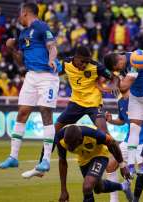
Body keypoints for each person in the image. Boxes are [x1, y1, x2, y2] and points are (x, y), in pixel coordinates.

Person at [22, 46, 114, 178]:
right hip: (75, 103)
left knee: (105, 134)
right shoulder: (66, 63)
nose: (85, 65)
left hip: (93, 104)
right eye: (82, 62)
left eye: (87, 62)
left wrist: (106, 88)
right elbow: (52, 74)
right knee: (53, 132)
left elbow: (114, 78)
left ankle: (117, 165)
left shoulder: (96, 66)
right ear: (76, 58)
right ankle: (41, 166)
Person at [0, 3, 60, 174]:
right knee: (22, 112)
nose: (19, 17)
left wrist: (52, 59)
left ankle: (46, 160)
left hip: (47, 75)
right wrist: (11, 49)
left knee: (45, 112)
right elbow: (20, 63)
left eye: (20, 14)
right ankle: (13, 157)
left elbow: (52, 46)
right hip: (31, 75)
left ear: (25, 13)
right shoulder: (23, 34)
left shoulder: (41, 26)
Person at [104, 50, 143, 176]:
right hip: (136, 95)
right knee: (134, 129)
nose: (118, 71)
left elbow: (123, 87)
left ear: (118, 62)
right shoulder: (123, 60)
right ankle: (130, 165)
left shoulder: (136, 59)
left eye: (116, 69)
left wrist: (116, 79)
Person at [56, 124, 133, 202]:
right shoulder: (60, 138)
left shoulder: (93, 133)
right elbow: (62, 162)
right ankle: (123, 186)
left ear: (80, 140)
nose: (69, 148)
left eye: (72, 145)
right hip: (83, 159)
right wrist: (63, 190)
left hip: (99, 154)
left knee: (87, 186)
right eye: (67, 144)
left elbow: (112, 143)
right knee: (98, 188)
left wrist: (122, 165)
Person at [105, 90, 143, 202]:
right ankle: (114, 200)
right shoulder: (121, 101)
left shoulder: (141, 97)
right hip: (129, 141)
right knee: (110, 166)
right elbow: (122, 120)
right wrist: (111, 120)